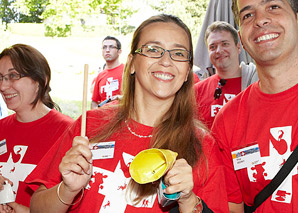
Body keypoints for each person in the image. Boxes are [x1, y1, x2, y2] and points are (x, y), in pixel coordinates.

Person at [27, 14, 229, 212]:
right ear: (131, 62)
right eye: (153, 49)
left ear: (187, 71)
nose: (166, 60)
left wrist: (187, 200)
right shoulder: (88, 125)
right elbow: (36, 207)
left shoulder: (203, 145)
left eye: (178, 53)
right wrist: (67, 189)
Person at [211, 0, 298, 212]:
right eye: (248, 15)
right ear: (242, 37)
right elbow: (233, 207)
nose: (260, 20)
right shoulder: (227, 121)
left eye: (274, 7)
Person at [0, 44, 74, 212]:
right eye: (0, 77)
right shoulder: (1, 127)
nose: (3, 87)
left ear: (41, 80)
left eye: (13, 76)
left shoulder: (67, 131)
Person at [194, 21, 258, 129]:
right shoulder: (196, 92)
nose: (219, 50)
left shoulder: (257, 83)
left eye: (225, 44)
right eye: (213, 47)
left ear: (238, 47)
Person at [91, 36, 124, 109]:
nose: (107, 50)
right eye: (104, 47)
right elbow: (94, 102)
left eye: (111, 47)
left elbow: (136, 97)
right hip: (103, 117)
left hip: (122, 117)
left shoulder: (127, 71)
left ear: (119, 51)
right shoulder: (100, 76)